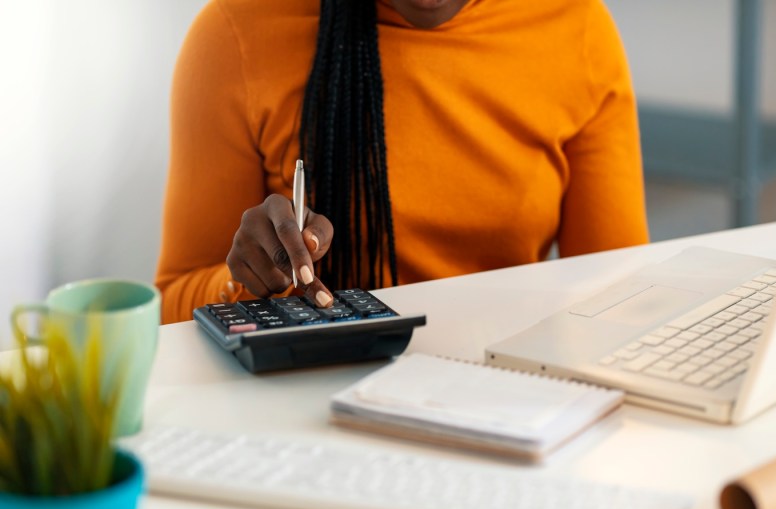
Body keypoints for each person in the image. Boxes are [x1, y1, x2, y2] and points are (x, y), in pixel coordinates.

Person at [155, 0, 649, 324]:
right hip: (314, 398)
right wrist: (249, 281)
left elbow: (618, 296)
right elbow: (169, 304)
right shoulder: (238, 33)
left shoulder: (575, 26)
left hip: (509, 394)